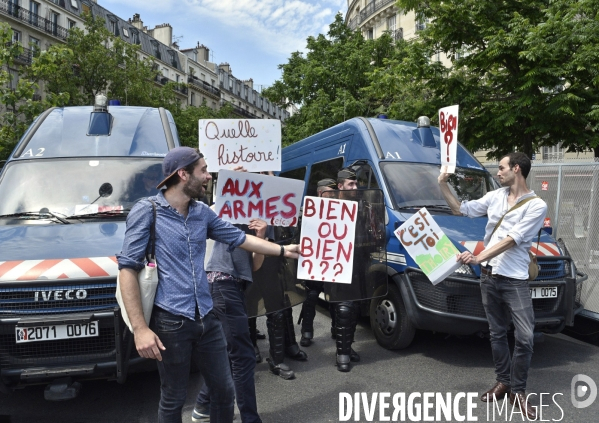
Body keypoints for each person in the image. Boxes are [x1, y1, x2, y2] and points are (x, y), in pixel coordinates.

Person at [116, 147, 300, 423]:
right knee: (174, 397)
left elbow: (241, 239)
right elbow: (127, 270)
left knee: (224, 391)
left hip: (207, 317)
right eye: (203, 171)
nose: (208, 177)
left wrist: (284, 251)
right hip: (170, 321)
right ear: (183, 174)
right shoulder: (148, 211)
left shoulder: (202, 212)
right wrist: (140, 329)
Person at [437, 152, 546, 420]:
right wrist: (442, 183)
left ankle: (517, 392)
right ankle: (503, 382)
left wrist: (478, 256)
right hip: (489, 276)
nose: (497, 172)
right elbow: (460, 209)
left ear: (516, 169)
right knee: (496, 333)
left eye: (501, 167)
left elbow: (512, 239)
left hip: (514, 279)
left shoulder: (536, 205)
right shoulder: (496, 197)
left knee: (525, 337)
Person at [193, 217, 268, 423]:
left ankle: (202, 405)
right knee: (243, 357)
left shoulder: (252, 221)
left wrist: (261, 236)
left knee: (228, 352)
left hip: (232, 288)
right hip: (222, 286)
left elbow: (254, 266)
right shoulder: (220, 213)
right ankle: (250, 419)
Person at [298, 178, 337, 347]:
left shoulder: (340, 212)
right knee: (312, 296)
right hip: (315, 262)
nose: (335, 195)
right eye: (332, 192)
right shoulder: (308, 212)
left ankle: (337, 329)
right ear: (321, 193)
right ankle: (307, 331)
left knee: (336, 297)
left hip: (335, 261)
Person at [332, 168, 362, 372]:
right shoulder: (329, 207)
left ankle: (347, 346)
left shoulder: (362, 206)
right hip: (337, 263)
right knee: (345, 307)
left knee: (355, 310)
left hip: (359, 264)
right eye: (351, 184)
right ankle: (342, 353)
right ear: (340, 186)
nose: (356, 187)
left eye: (356, 183)